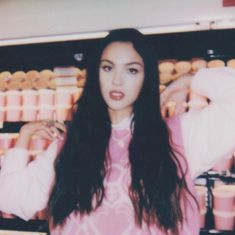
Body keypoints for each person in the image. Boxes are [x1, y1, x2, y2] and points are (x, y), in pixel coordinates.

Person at [0, 28, 235, 235]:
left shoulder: (179, 136)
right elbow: (12, 199)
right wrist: (24, 138)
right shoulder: (70, 146)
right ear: (96, 74)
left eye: (132, 70)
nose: (117, 81)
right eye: (107, 68)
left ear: (147, 78)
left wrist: (191, 79)